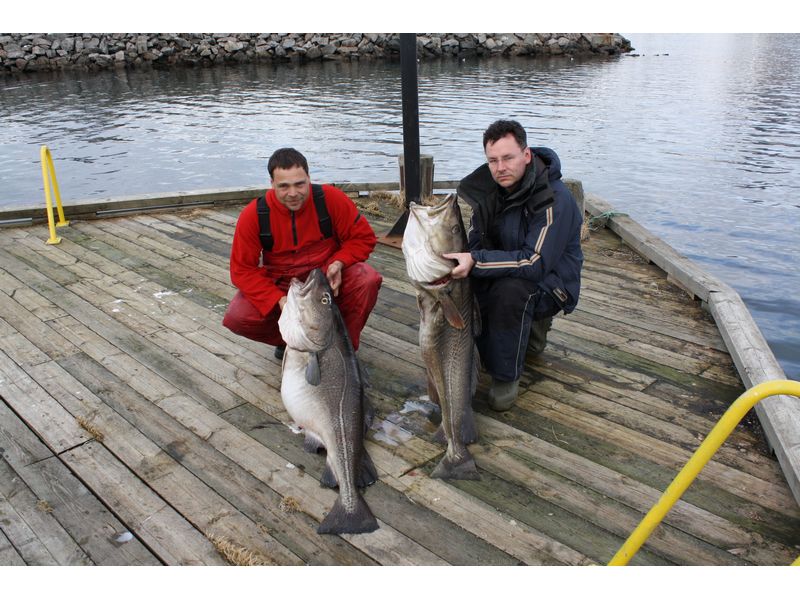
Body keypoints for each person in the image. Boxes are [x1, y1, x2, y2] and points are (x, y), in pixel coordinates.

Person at [444, 120, 584, 411]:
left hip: (552, 283)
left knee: (511, 292)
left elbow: (535, 262)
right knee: (467, 282)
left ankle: (506, 376)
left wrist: (477, 262)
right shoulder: (489, 193)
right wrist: (467, 263)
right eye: (493, 160)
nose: (500, 168)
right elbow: (476, 242)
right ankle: (480, 353)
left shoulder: (554, 199)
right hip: (507, 267)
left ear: (527, 155)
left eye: (508, 158)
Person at [223, 147, 382, 358]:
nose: (293, 193)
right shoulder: (254, 215)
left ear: (309, 177)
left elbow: (363, 238)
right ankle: (289, 340)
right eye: (284, 186)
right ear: (272, 184)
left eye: (300, 184)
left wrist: (339, 262)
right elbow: (242, 270)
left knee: (367, 279)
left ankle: (343, 350)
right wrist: (279, 300)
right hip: (284, 286)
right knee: (238, 317)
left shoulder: (330, 199)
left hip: (326, 279)